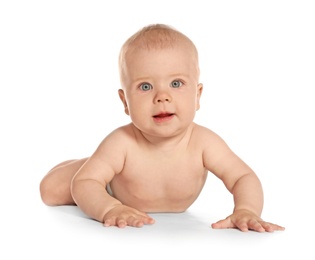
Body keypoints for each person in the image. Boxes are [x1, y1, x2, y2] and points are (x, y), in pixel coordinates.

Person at [40, 24, 284, 232]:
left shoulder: (203, 142)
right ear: (125, 102)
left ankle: (97, 163)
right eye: (145, 87)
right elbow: (86, 182)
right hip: (110, 189)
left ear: (197, 95)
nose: (162, 97)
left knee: (91, 171)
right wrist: (110, 207)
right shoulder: (122, 142)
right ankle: (91, 163)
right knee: (50, 190)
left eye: (176, 83)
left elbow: (243, 177)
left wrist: (246, 210)